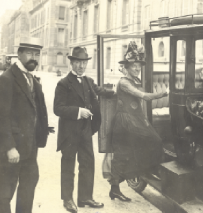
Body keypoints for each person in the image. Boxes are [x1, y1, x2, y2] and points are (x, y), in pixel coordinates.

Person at [0, 37, 53, 213]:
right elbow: (0, 117)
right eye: (29, 53)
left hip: (30, 148)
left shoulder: (33, 80)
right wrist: (9, 147)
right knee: (3, 194)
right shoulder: (6, 79)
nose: (33, 57)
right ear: (19, 54)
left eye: (37, 54)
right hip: (12, 150)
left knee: (27, 192)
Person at [54, 46, 114, 213]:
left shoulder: (88, 81)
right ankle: (67, 199)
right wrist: (79, 112)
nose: (81, 66)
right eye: (77, 62)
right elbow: (57, 109)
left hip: (85, 131)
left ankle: (85, 197)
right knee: (68, 165)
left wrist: (114, 91)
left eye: (83, 63)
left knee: (87, 163)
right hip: (69, 132)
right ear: (72, 63)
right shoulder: (63, 83)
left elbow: (99, 91)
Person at [108, 41, 168, 201]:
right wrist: (163, 93)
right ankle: (116, 188)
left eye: (138, 65)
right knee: (123, 154)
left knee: (151, 142)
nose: (137, 68)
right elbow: (145, 97)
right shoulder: (124, 82)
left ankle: (141, 173)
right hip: (124, 123)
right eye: (133, 65)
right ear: (126, 67)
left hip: (134, 120)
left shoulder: (135, 80)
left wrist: (144, 121)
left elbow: (138, 106)